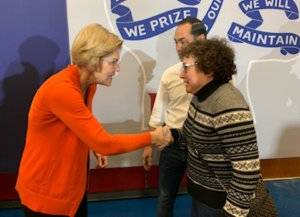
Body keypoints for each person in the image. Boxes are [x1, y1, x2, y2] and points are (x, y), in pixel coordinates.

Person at [15, 23, 171, 217]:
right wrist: (152, 138)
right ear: (92, 60)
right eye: (113, 62)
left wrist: (93, 145)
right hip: (46, 195)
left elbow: (82, 123)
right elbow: (105, 143)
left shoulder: (88, 85)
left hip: (72, 190)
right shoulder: (61, 90)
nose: (117, 68)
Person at [170, 37, 260, 217]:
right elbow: (192, 135)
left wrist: (232, 214)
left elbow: (247, 169)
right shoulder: (201, 95)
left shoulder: (228, 104)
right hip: (202, 196)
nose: (181, 74)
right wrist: (173, 135)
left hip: (220, 204)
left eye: (186, 67)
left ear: (209, 70)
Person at [142, 17, 207, 217]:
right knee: (165, 196)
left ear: (201, 39)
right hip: (171, 145)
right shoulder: (170, 74)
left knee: (203, 199)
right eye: (175, 42)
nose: (178, 47)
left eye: (183, 41)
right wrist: (147, 144)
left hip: (203, 147)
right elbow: (158, 111)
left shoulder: (220, 74)